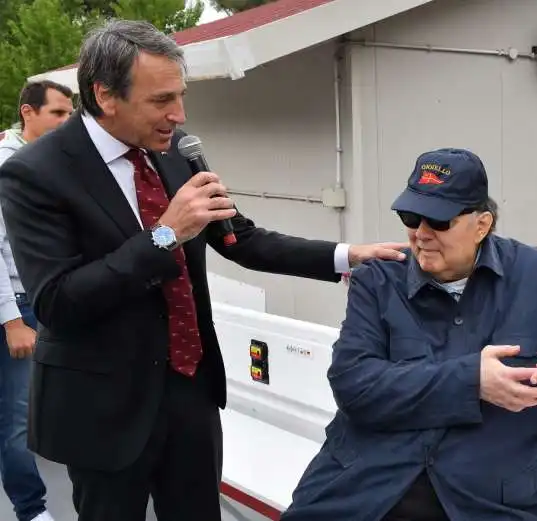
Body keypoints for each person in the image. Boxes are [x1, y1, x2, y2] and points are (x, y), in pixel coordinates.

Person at [0, 20, 405, 521]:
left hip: (190, 389)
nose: (179, 114)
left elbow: (242, 240)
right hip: (103, 405)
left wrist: (344, 255)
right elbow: (57, 303)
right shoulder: (34, 174)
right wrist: (165, 235)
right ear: (105, 95)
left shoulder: (177, 151)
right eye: (161, 100)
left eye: (181, 96)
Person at [280, 147, 537, 521]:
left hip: (484, 505)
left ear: (482, 225)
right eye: (410, 217)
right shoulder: (378, 281)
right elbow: (353, 384)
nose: (420, 234)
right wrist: (472, 381)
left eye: (438, 222)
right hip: (363, 492)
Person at [0, 80, 73, 521]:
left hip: (51, 299)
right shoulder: (6, 167)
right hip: (19, 305)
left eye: (71, 113)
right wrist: (12, 320)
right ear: (29, 113)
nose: (68, 122)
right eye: (58, 114)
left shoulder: (54, 164)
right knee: (16, 418)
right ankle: (33, 511)